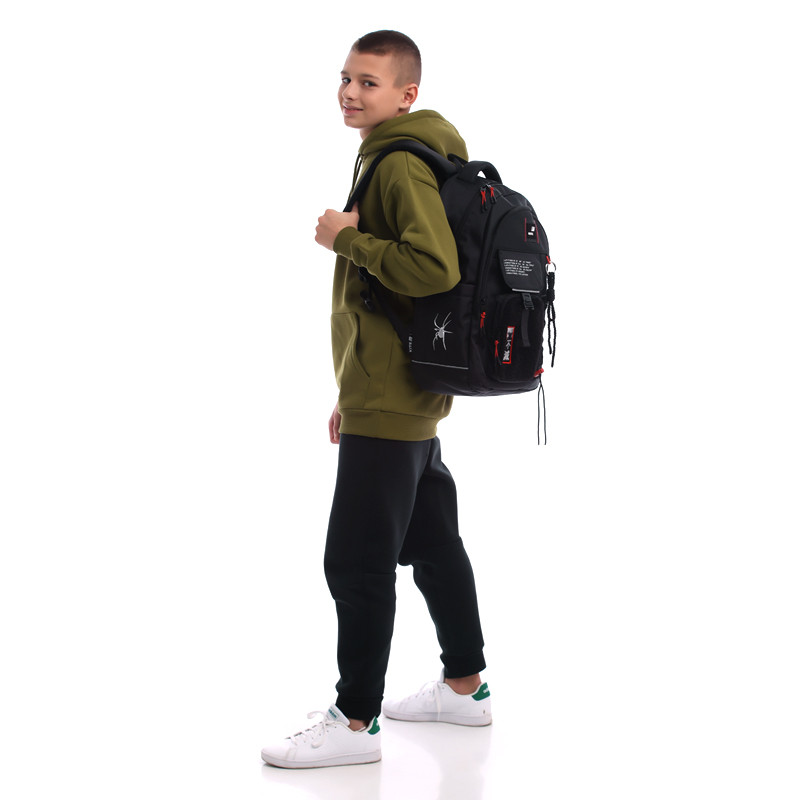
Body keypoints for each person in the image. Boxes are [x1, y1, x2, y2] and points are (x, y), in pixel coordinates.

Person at [261, 30, 490, 770]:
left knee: (357, 563)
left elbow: (432, 269)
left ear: (406, 95)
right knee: (434, 544)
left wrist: (344, 239)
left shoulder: (397, 164)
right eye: (345, 78)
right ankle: (465, 687)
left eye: (368, 82)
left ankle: (355, 722)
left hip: (393, 395)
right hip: (401, 391)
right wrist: (350, 391)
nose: (350, 93)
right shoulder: (413, 154)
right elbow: (385, 302)